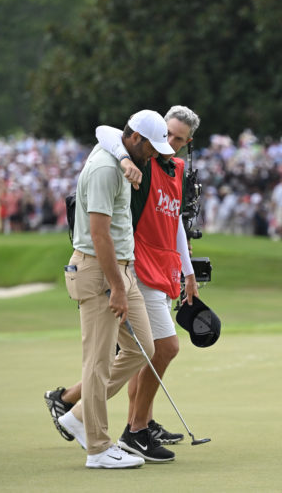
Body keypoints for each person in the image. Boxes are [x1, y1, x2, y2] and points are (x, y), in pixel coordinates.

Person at [45, 106, 200, 463]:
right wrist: (117, 286)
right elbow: (99, 235)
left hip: (123, 270)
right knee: (97, 361)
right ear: (136, 139)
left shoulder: (128, 154)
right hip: (100, 270)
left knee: (142, 347)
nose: (157, 155)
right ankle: (98, 447)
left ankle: (74, 412)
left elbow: (109, 132)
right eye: (154, 146)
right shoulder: (104, 168)